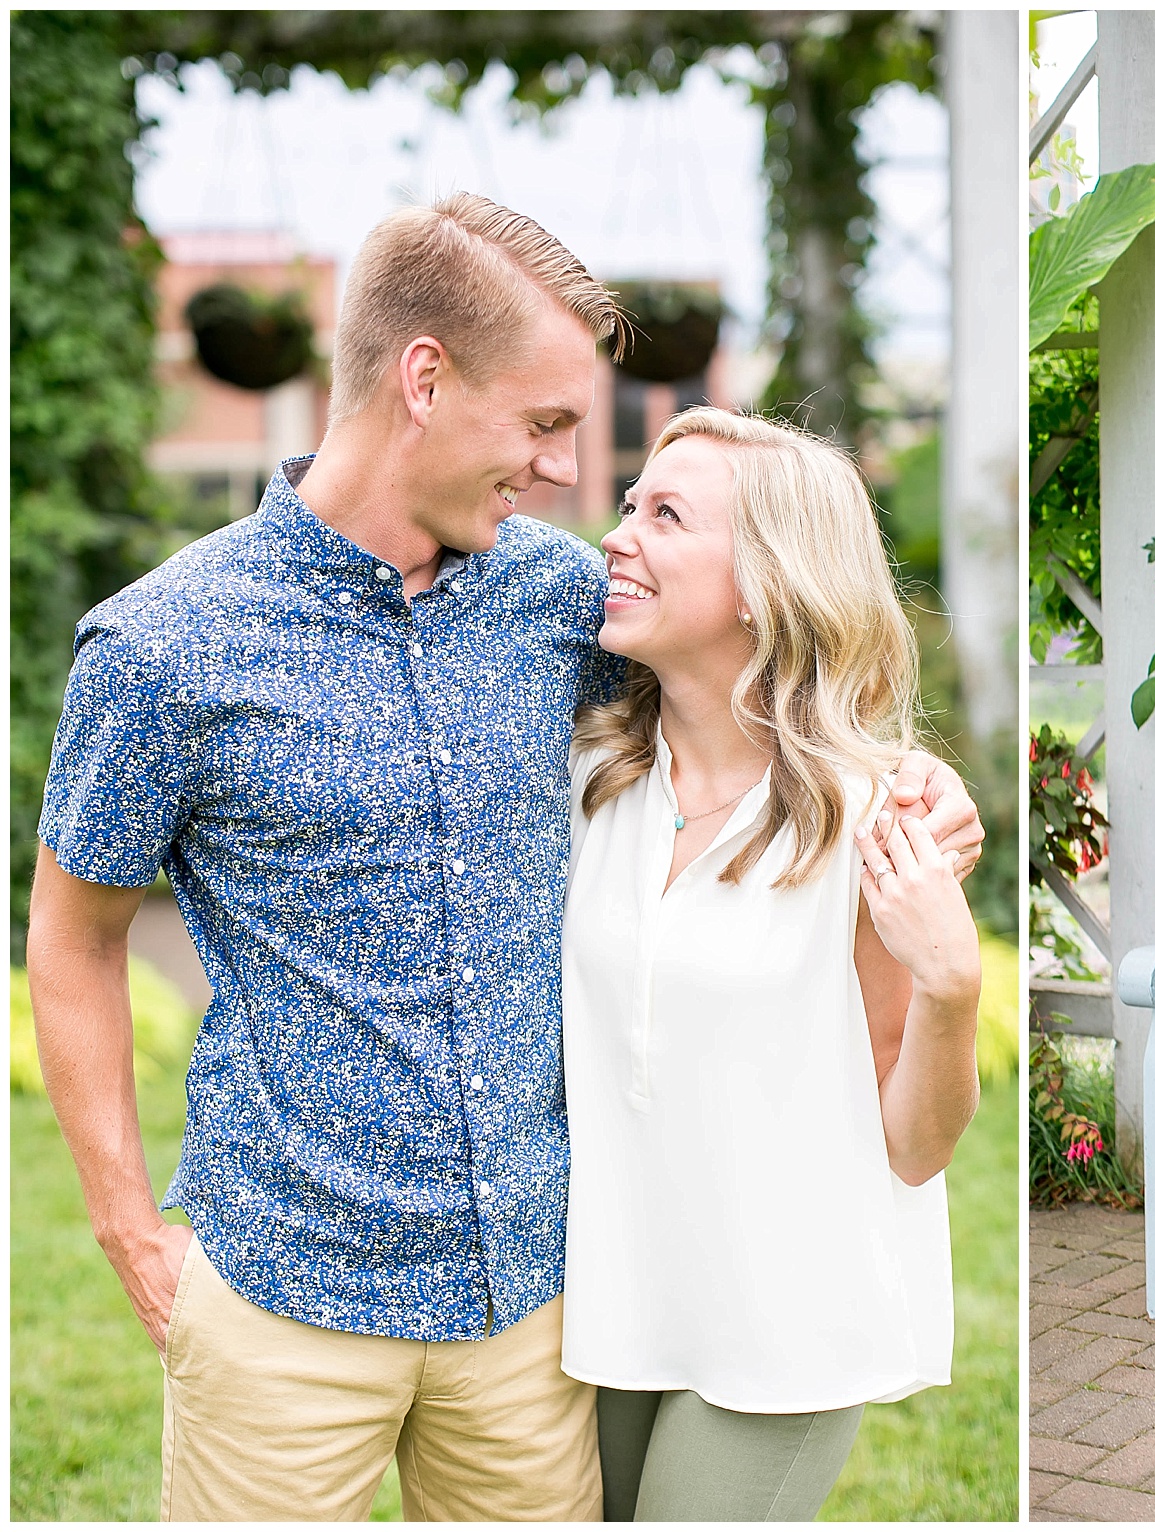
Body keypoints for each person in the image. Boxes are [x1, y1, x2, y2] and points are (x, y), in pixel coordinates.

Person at [26, 194, 984, 1522]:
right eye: (543, 424)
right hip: (281, 1297)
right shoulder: (164, 650)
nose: (558, 471)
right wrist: (130, 1228)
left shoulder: (559, 598)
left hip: (539, 1311)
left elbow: (752, 678)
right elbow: (71, 937)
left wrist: (906, 784)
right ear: (425, 379)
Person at [560, 408, 981, 1521]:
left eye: (664, 514)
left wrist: (953, 987)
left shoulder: (872, 818)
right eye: (626, 504)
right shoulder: (592, 779)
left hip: (782, 1314)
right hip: (607, 1298)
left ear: (762, 580)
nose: (615, 534)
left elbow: (915, 1141)